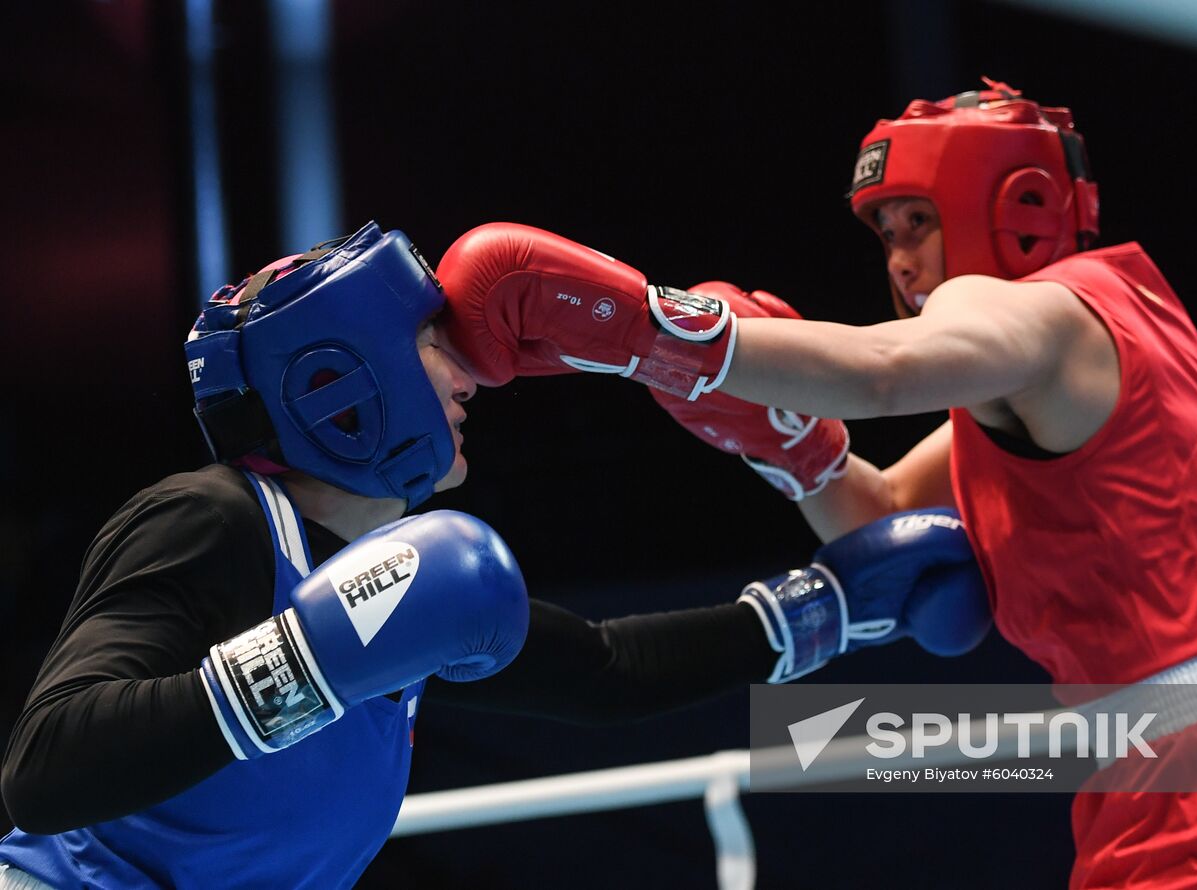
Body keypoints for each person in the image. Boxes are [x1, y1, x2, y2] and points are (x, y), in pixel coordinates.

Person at [433, 81, 1197, 887]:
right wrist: (790, 449)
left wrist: (655, 333)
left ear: (1013, 206)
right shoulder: (1109, 339)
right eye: (887, 230)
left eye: (920, 222)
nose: (900, 259)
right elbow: (887, 521)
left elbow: (883, 370)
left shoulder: (1041, 314)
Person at [0, 222, 988, 889]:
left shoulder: (394, 570)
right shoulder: (212, 519)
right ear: (341, 379)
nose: (476, 364)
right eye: (436, 340)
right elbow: (45, 769)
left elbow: (603, 671)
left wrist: (827, 606)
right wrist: (307, 663)